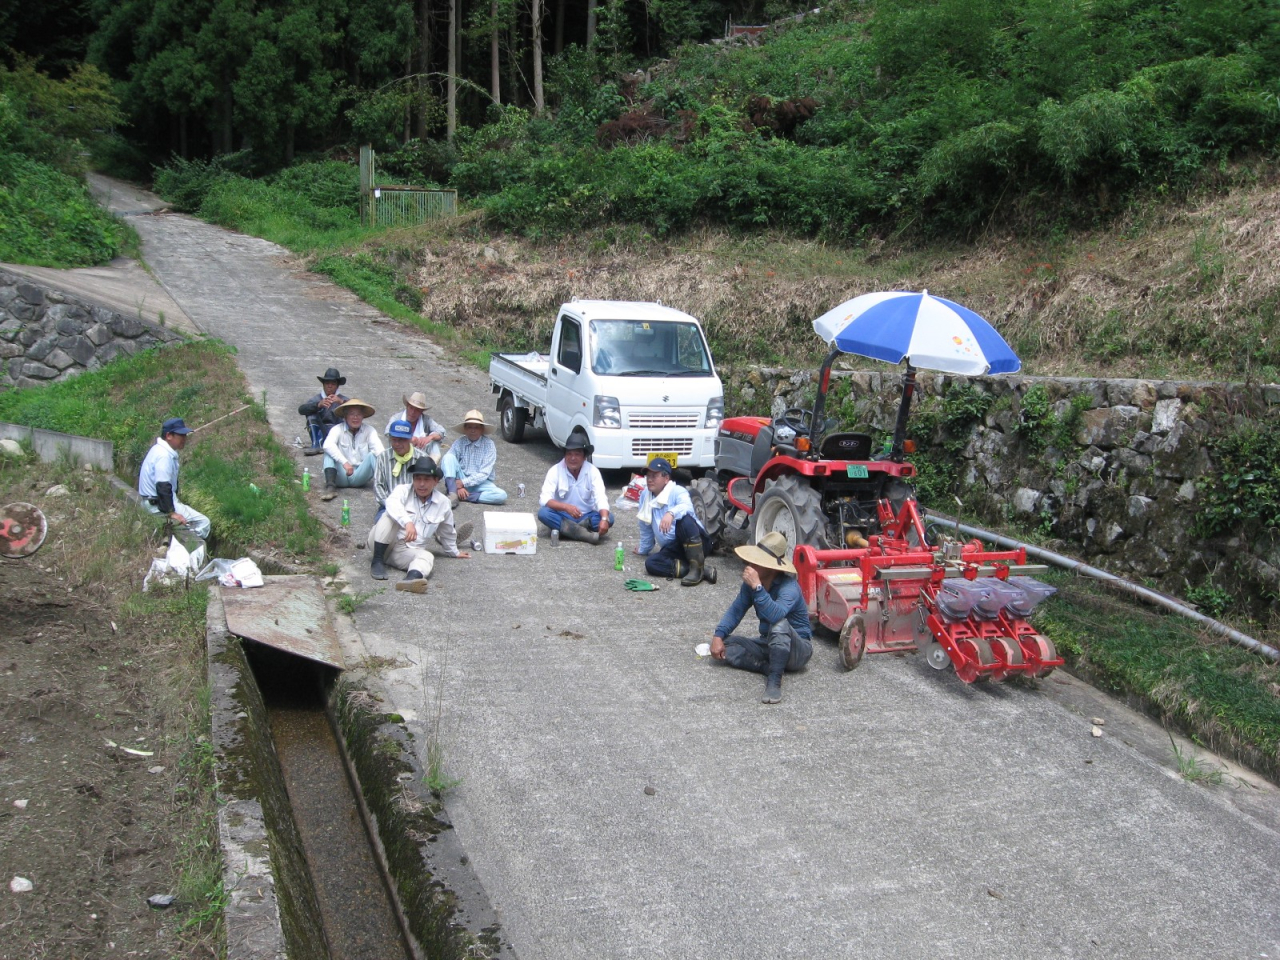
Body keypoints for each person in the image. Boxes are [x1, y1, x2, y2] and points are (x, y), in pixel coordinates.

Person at [710, 532, 813, 704]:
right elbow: (736, 610)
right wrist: (718, 635)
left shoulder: (790, 587)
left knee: (779, 624)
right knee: (726, 646)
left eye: (757, 561)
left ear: (771, 567)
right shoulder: (750, 586)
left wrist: (758, 588)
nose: (751, 564)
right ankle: (766, 667)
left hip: (797, 651)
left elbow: (775, 615)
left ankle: (774, 680)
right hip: (769, 643)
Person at [368, 458, 473, 593]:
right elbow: (391, 503)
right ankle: (377, 561)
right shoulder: (402, 490)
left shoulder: (443, 503)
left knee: (427, 556)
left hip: (404, 551)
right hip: (381, 542)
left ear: (436, 481)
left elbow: (447, 530)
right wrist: (407, 522)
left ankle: (410, 580)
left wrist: (454, 552)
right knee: (389, 516)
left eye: (427, 479)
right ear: (413, 479)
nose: (421, 484)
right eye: (418, 479)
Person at [634, 457, 716, 586]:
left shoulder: (678, 491)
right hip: (673, 548)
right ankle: (700, 569)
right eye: (648, 476)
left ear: (666, 479)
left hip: (698, 542)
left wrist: (671, 513)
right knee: (651, 564)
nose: (649, 479)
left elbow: (687, 507)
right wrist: (643, 549)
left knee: (684, 520)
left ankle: (696, 568)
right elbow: (645, 525)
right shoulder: (645, 495)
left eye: (654, 476)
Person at [137, 417, 211, 540]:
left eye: (185, 435)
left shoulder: (158, 449)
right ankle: (191, 548)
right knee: (203, 523)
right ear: (169, 436)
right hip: (156, 505)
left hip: (151, 502)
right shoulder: (164, 456)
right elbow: (162, 486)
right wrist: (172, 513)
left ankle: (177, 540)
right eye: (181, 435)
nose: (184, 439)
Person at [537, 432, 612, 543]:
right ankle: (582, 533)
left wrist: (605, 519)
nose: (573, 458)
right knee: (543, 513)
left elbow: (600, 497)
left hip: (586, 517)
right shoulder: (555, 470)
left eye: (577, 454)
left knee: (609, 518)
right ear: (565, 455)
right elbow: (544, 499)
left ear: (584, 457)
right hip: (563, 515)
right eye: (569, 454)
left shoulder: (593, 471)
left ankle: (569, 530)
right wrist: (566, 507)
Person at [440, 409, 508, 507]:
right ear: (465, 429)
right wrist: (458, 485)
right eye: (469, 427)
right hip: (461, 477)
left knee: (501, 495)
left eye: (476, 427)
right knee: (448, 457)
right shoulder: (460, 442)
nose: (473, 430)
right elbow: (448, 465)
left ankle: (463, 495)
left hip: (480, 483)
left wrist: (462, 483)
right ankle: (453, 493)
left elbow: (484, 473)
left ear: (482, 429)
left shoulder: (489, 445)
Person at [321, 399, 384, 501]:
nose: (355, 418)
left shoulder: (369, 430)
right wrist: (344, 462)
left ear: (363, 416)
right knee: (328, 453)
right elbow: (327, 445)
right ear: (345, 416)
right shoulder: (337, 429)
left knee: (373, 455)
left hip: (360, 475)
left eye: (359, 414)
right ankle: (330, 488)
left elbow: (380, 451)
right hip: (341, 474)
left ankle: (384, 486)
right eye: (352, 414)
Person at [372, 419, 428, 518]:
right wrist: (390, 505)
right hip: (388, 506)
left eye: (402, 440)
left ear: (410, 439)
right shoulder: (383, 457)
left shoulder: (422, 458)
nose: (397, 444)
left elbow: (427, 487)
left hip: (416, 506)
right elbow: (378, 485)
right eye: (394, 440)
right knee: (381, 527)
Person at [297, 367, 349, 455]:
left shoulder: (343, 399)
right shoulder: (317, 399)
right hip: (322, 431)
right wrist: (318, 405)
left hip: (338, 433)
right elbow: (301, 410)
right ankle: (316, 444)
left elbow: (357, 411)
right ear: (323, 384)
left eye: (333, 383)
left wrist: (341, 403)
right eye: (327, 383)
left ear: (337, 386)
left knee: (349, 415)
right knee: (311, 414)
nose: (330, 386)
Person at [385, 391, 447, 460]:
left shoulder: (425, 419)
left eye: (417, 410)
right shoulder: (397, 418)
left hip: (420, 455)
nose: (412, 412)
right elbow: (388, 432)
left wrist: (429, 437)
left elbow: (442, 431)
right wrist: (408, 439)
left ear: (421, 412)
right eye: (411, 408)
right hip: (399, 452)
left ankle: (431, 465)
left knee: (435, 443)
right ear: (407, 407)